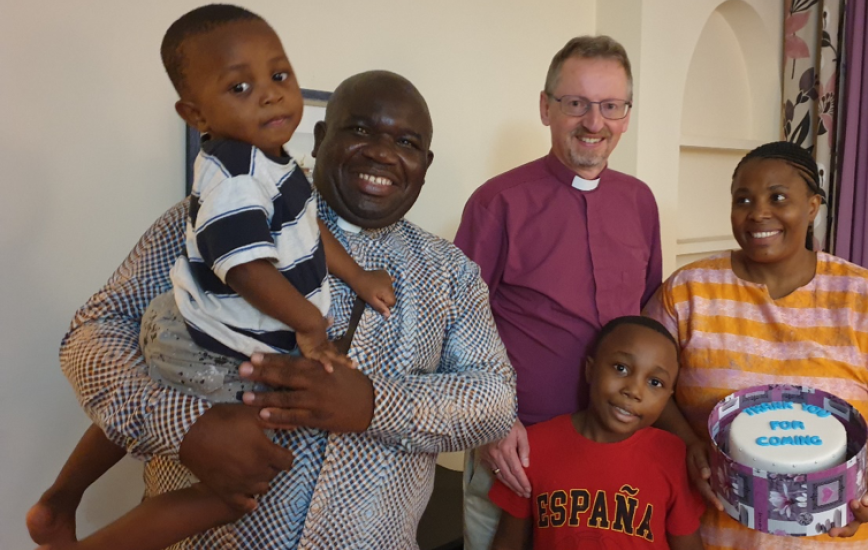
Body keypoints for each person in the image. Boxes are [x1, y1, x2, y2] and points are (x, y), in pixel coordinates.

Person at [44, 64, 516, 549]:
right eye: (359, 130)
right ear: (318, 137)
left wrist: (375, 404)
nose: (381, 153)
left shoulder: (450, 273)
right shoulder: (220, 212)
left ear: (425, 164)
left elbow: (496, 400)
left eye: (407, 143)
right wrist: (184, 426)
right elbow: (91, 334)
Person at [31, 6, 401, 549]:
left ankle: (58, 501)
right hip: (210, 346)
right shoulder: (232, 176)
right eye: (240, 87)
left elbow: (306, 226)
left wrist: (360, 275)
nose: (271, 95)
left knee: (152, 394)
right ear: (195, 114)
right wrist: (309, 323)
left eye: (279, 76)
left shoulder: (273, 162)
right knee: (236, 484)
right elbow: (247, 269)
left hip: (196, 328)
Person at [644, 141, 868, 550]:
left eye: (778, 197)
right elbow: (647, 384)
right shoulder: (687, 292)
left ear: (812, 206)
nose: (758, 212)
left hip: (839, 538)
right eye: (743, 199)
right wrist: (688, 445)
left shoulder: (865, 296)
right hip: (716, 534)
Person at [454, 35, 662, 550]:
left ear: (627, 115)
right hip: (511, 452)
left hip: (612, 458)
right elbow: (451, 326)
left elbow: (649, 320)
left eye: (611, 106)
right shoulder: (496, 203)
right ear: (546, 108)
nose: (595, 123)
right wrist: (492, 426)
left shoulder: (640, 202)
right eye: (577, 104)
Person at [488, 316, 704, 550]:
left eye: (654, 382)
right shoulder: (534, 447)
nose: (633, 390)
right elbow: (509, 542)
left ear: (667, 397)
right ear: (590, 370)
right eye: (621, 368)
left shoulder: (672, 454)